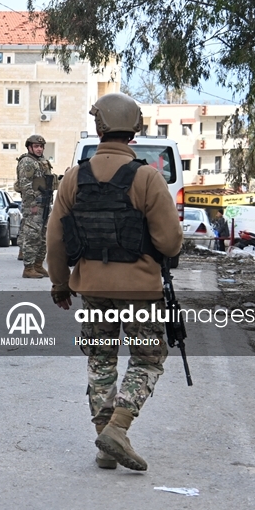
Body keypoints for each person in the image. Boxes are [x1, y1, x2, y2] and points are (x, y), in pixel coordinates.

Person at [46, 93, 183, 472]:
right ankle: (118, 428)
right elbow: (170, 242)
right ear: (135, 129)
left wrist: (60, 284)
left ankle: (106, 443)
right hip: (141, 290)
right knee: (147, 359)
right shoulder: (148, 178)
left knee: (100, 359)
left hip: (92, 288)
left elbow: (55, 240)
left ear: (98, 128)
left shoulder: (74, 178)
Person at [15, 134, 57, 278]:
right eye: (36, 146)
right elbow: (25, 185)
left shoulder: (41, 161)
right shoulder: (27, 162)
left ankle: (38, 265)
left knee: (43, 236)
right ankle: (28, 268)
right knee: (32, 236)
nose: (39, 149)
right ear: (29, 147)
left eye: (41, 146)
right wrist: (32, 204)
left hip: (44, 204)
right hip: (34, 206)